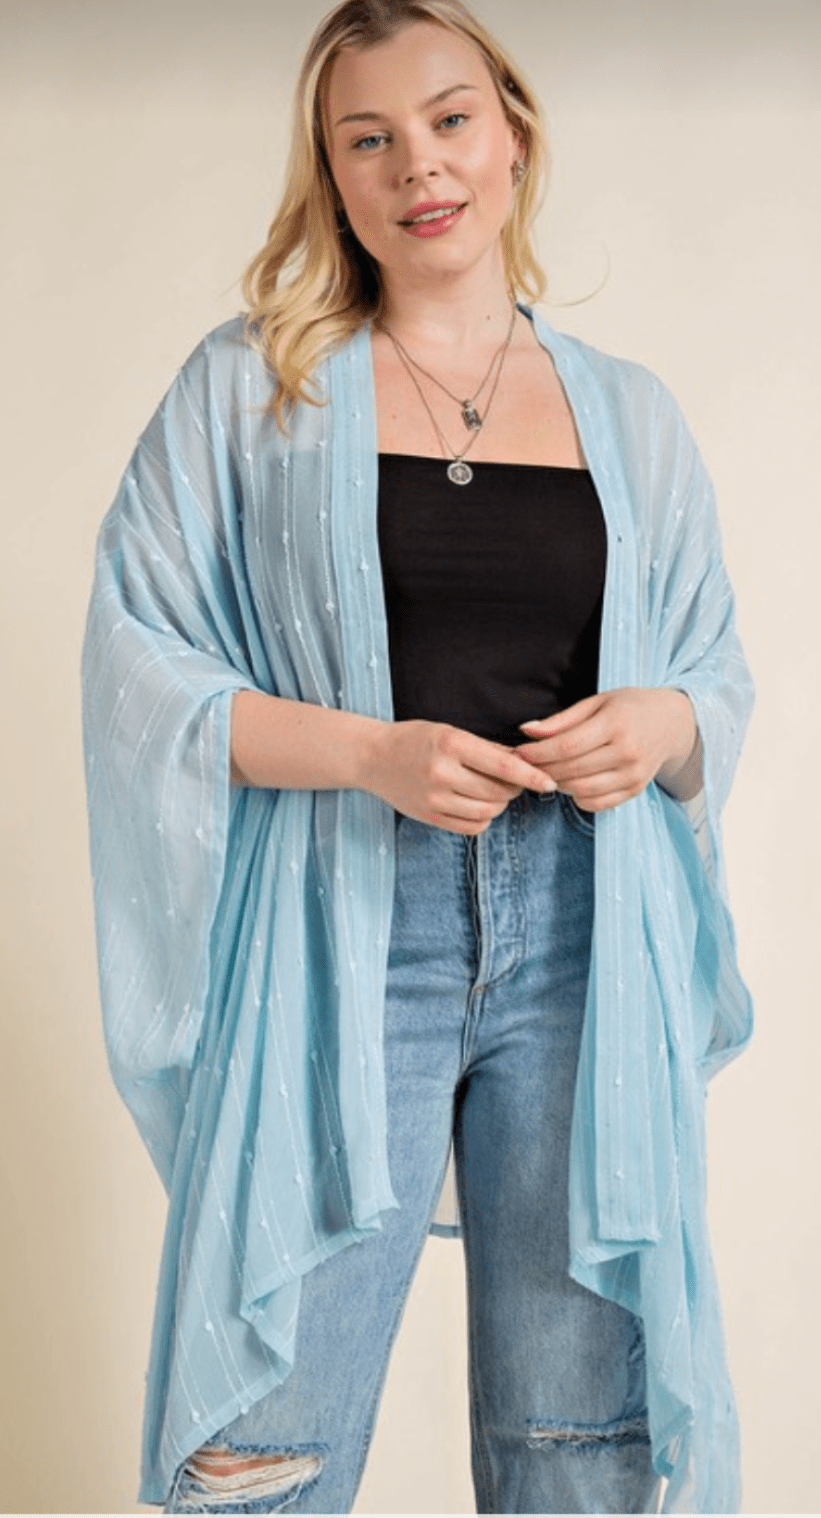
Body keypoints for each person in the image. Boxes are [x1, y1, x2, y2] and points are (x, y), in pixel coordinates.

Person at [81, 0, 754, 1512]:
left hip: (585, 935)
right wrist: (369, 755)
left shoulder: (631, 415)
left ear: (512, 135)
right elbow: (138, 671)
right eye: (368, 138)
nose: (418, 166)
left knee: (579, 1441)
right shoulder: (252, 392)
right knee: (263, 1443)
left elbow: (712, 671)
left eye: (450, 121)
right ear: (332, 176)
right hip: (341, 927)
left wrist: (663, 723)